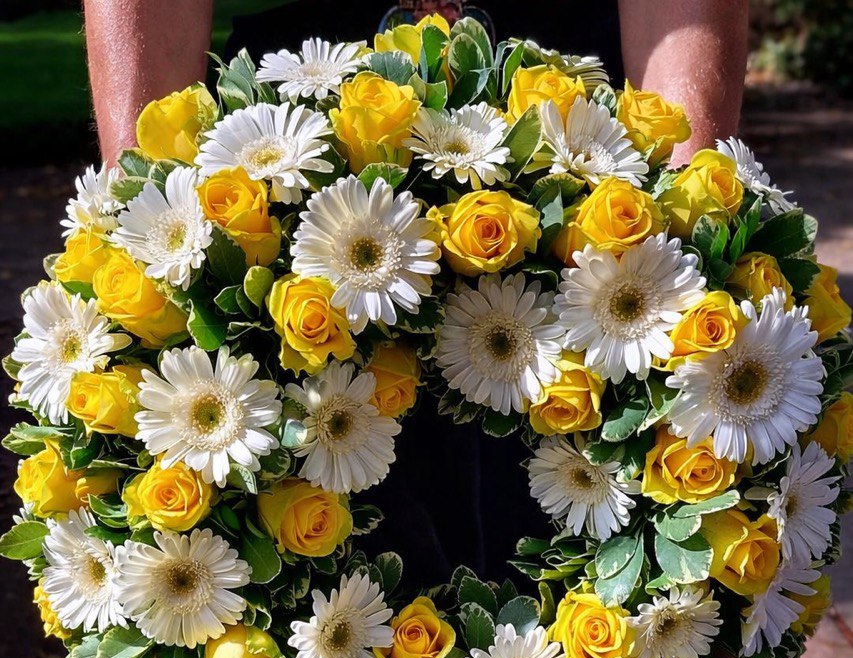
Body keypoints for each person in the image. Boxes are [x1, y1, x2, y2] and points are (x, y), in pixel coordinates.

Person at [83, 0, 749, 588]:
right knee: (307, 601)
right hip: (286, 139)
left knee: (593, 583)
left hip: (576, 135)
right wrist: (142, 217)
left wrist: (686, 222)